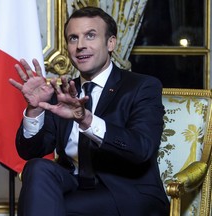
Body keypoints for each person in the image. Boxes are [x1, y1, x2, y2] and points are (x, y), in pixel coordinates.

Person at [9, 6, 170, 216]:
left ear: (110, 42)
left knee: (48, 208)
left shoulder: (142, 86)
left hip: (124, 191)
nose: (80, 46)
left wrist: (85, 119)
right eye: (73, 38)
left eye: (90, 36)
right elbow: (30, 151)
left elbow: (141, 149)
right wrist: (34, 108)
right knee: (37, 167)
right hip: (74, 184)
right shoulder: (63, 92)